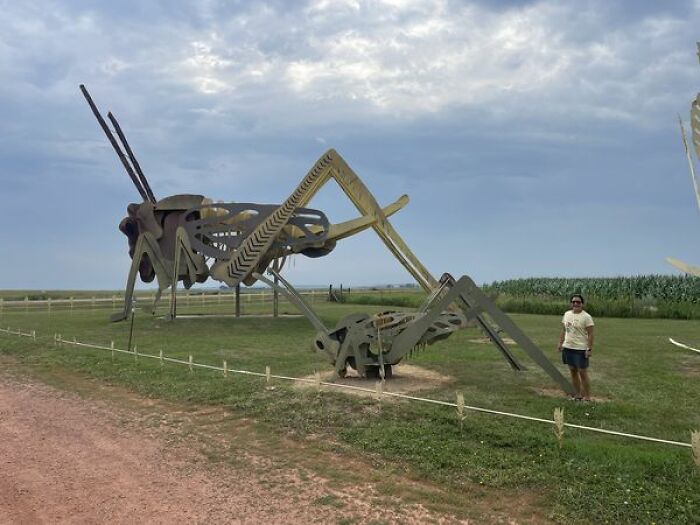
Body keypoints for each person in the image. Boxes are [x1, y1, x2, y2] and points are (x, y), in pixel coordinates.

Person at [557, 294, 595, 401]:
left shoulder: (586, 317)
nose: (575, 304)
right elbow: (564, 330)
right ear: (571, 303)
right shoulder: (567, 314)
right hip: (568, 347)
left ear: (582, 304)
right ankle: (577, 394)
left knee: (582, 372)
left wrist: (589, 348)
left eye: (578, 302)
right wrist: (560, 343)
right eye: (573, 302)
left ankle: (587, 397)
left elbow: (591, 334)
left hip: (581, 349)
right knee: (572, 371)